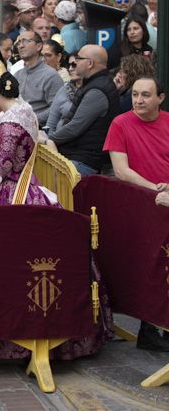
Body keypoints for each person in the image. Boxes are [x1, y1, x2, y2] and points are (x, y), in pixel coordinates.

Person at [104, 76, 169, 351]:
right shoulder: (120, 123)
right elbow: (121, 171)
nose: (139, 100)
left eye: (145, 95)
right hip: (141, 201)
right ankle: (149, 329)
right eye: (135, 95)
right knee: (149, 266)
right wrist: (154, 190)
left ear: (160, 98)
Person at [0, 73, 56, 206]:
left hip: (11, 189)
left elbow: (2, 167)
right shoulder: (26, 111)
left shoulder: (9, 124)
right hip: (27, 178)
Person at [50, 45, 118, 176]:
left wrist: (49, 139)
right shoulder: (95, 84)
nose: (74, 62)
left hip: (84, 161)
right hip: (78, 156)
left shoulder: (97, 90)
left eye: (78, 59)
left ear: (90, 63)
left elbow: (75, 127)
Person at [13, 30, 64, 127]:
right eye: (19, 42)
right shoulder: (17, 75)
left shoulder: (51, 75)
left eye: (26, 41)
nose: (21, 45)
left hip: (39, 130)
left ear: (39, 46)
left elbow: (57, 108)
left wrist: (32, 120)